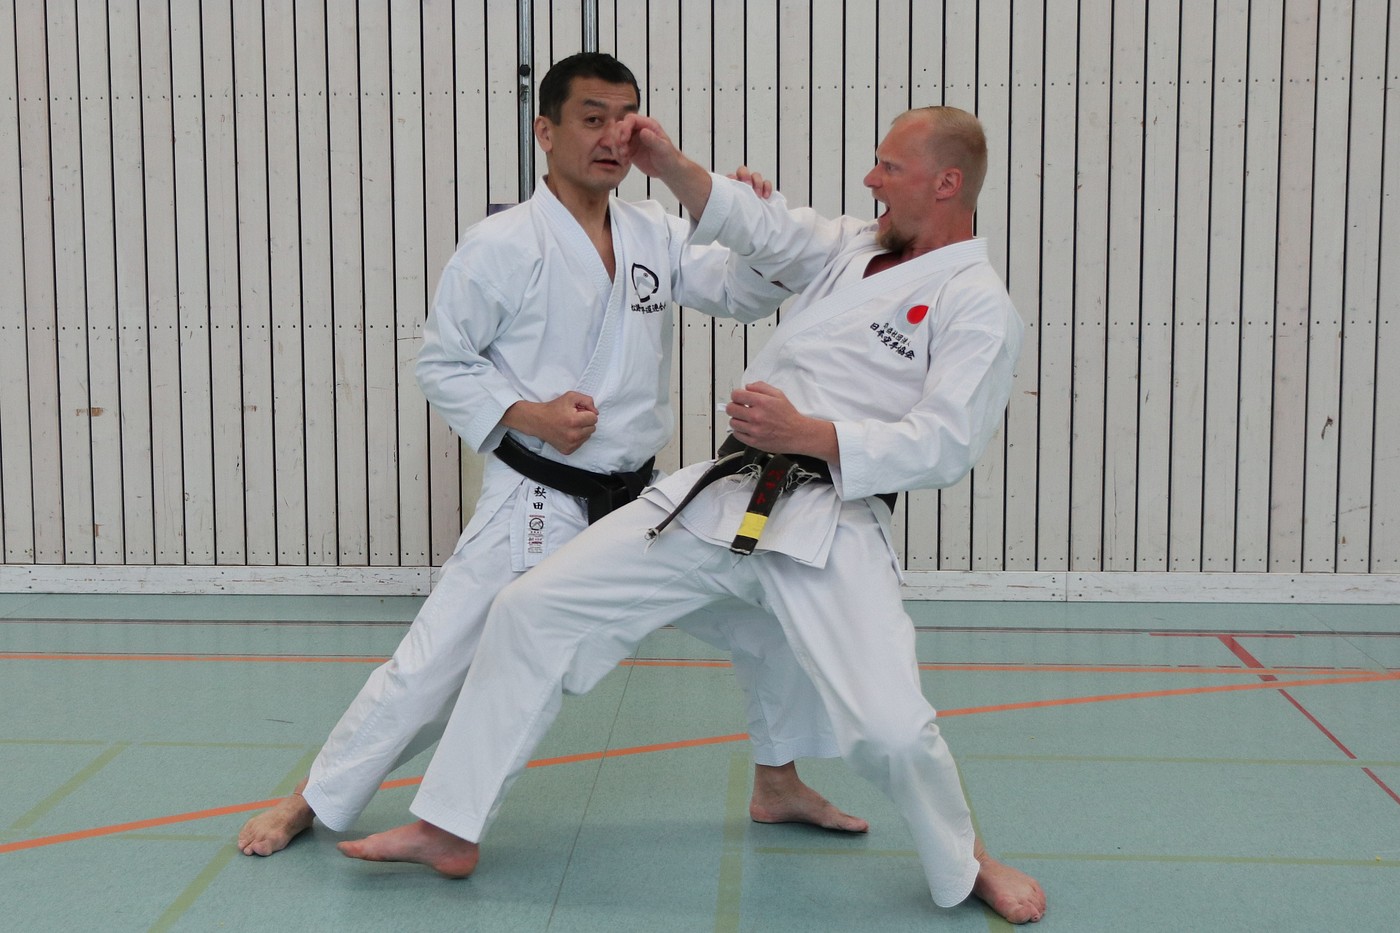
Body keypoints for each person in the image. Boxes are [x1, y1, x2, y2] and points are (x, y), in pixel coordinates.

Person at [337, 105, 1048, 924]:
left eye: (889, 167)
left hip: (831, 520)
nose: (870, 179)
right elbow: (766, 228)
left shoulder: (976, 304)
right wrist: (669, 165)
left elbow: (947, 442)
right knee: (532, 607)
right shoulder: (854, 245)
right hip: (725, 494)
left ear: (947, 183)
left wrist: (810, 433)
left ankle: (968, 859)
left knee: (889, 730)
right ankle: (448, 824)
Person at [237, 51, 866, 859]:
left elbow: (747, 293)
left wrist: (750, 220)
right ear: (546, 131)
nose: (611, 137)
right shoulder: (501, 243)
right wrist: (528, 413)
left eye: (625, 120)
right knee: (436, 665)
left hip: (642, 502)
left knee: (767, 610)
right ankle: (316, 798)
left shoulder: (654, 231)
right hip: (538, 500)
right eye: (591, 118)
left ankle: (778, 782)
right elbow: (442, 361)